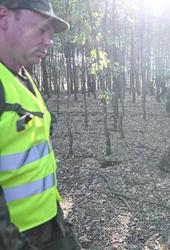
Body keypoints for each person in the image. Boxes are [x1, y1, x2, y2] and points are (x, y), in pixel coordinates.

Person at [0, 0, 81, 249]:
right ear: (3, 17)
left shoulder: (23, 77)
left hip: (50, 223)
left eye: (51, 34)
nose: (49, 41)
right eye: (41, 29)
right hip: (16, 236)